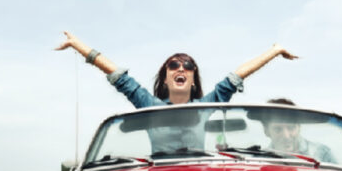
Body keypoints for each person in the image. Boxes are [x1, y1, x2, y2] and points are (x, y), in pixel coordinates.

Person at [56, 31, 298, 108]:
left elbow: (237, 75)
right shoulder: (150, 107)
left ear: (193, 79)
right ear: (166, 78)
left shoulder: (207, 105)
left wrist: (274, 51)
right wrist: (78, 45)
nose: (181, 68)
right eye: (173, 65)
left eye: (188, 65)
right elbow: (120, 77)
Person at [264, 98, 336, 163]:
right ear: (266, 131)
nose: (286, 136)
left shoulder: (322, 154)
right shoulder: (259, 160)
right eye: (278, 129)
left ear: (299, 127)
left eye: (291, 128)